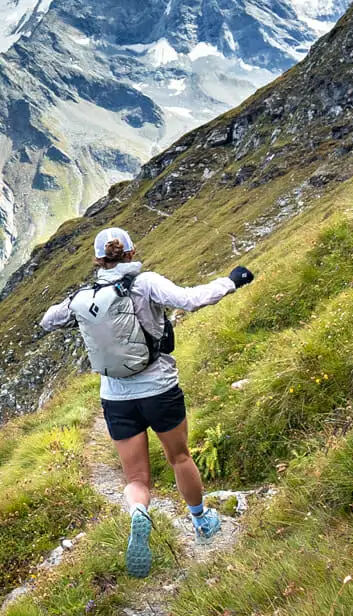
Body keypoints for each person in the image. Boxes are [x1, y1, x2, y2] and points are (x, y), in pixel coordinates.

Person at [40, 227, 253, 578]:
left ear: (99, 259)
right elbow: (192, 299)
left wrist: (80, 309)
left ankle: (139, 512)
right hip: (158, 389)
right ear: (130, 252)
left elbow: (49, 321)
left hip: (115, 398)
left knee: (137, 477)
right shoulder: (146, 282)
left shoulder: (86, 294)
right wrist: (231, 281)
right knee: (179, 457)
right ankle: (201, 521)